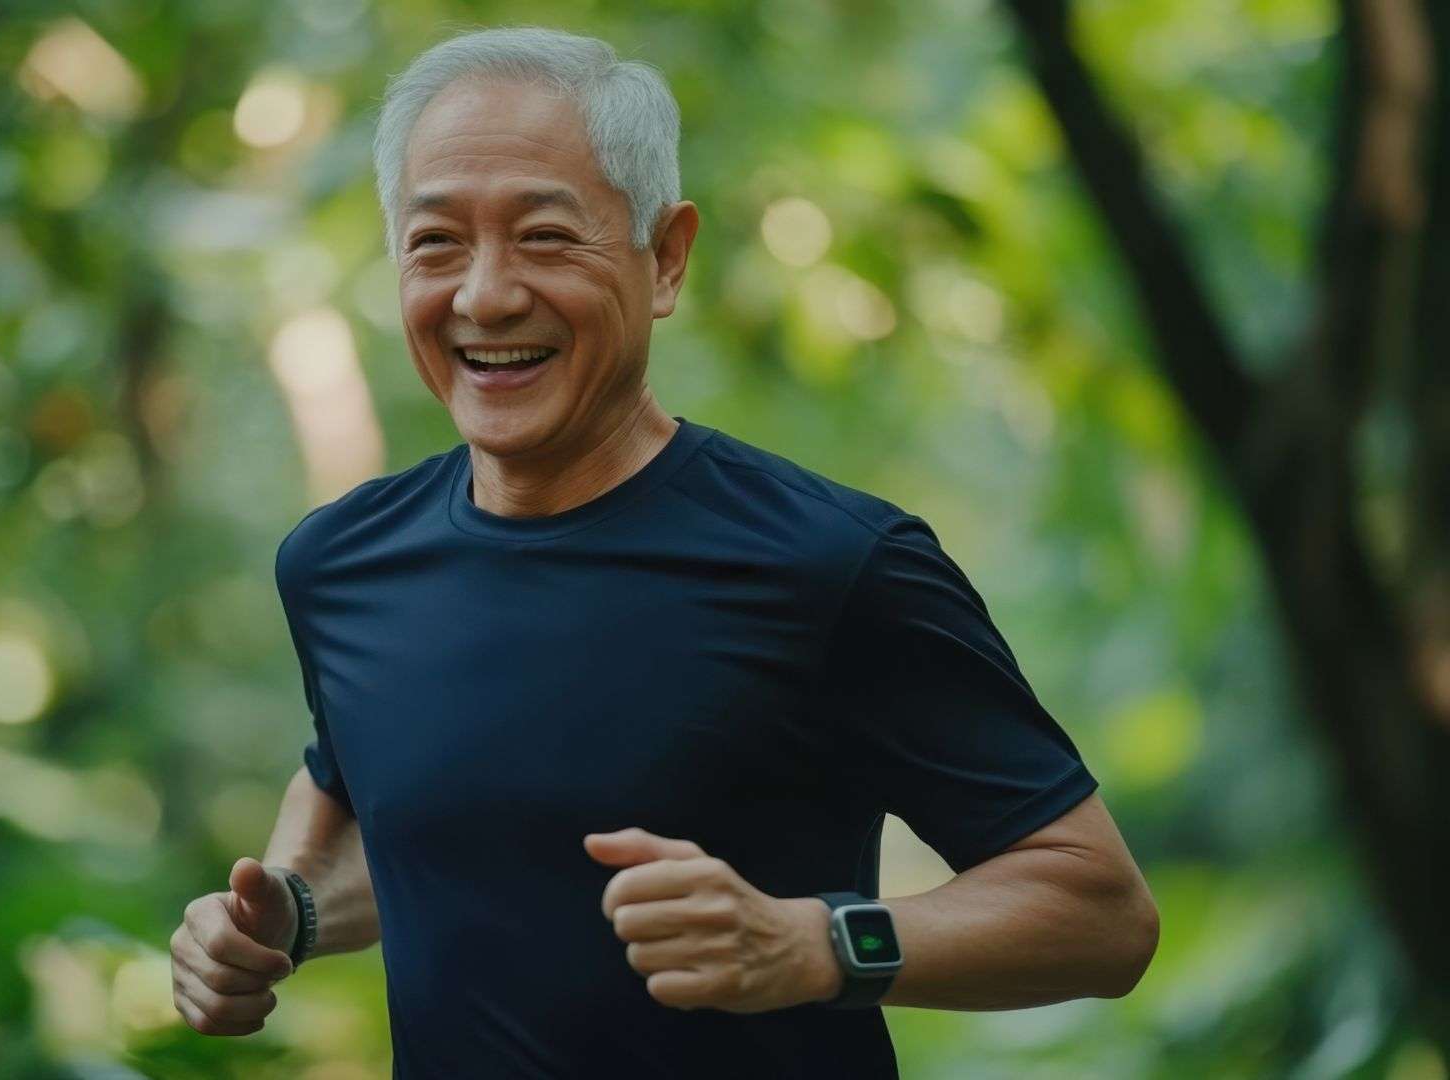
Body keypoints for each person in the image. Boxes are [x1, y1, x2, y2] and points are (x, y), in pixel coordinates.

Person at [170, 25, 1159, 1077]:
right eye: (437, 242)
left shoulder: (832, 563)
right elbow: (398, 829)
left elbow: (1098, 913)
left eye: (547, 237)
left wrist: (817, 944)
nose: (486, 294)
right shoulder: (339, 563)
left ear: (667, 257)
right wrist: (285, 916)